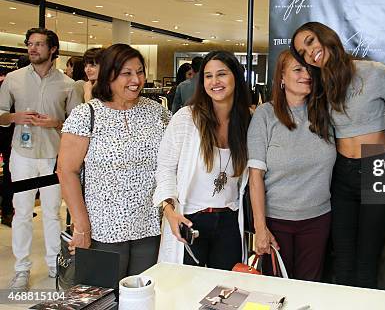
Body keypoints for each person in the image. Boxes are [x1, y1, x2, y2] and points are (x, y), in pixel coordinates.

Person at [291, 22, 385, 288]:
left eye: (310, 42)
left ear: (326, 37)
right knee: (343, 261)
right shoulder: (318, 87)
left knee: (367, 261)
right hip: (340, 174)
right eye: (302, 52)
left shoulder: (374, 73)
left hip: (380, 170)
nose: (309, 53)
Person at [57, 44, 171, 279]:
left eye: (140, 72)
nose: (136, 80)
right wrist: (81, 225)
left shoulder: (156, 112)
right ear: (109, 74)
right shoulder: (86, 114)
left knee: (142, 297)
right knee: (103, 298)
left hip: (148, 227)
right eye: (126, 73)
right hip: (102, 228)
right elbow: (66, 171)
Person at [0, 28, 83, 290]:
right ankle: (21, 268)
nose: (32, 48)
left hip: (53, 160)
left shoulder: (68, 85)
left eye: (38, 44)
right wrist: (14, 117)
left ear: (53, 49)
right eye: (30, 44)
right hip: (22, 158)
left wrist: (56, 122)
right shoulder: (12, 80)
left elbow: (76, 124)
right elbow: (0, 115)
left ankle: (53, 264)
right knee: (22, 211)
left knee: (51, 213)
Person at [154, 51, 250, 270]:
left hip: (229, 221)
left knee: (227, 292)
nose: (214, 82)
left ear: (235, 76)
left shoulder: (245, 121)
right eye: (208, 76)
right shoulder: (187, 118)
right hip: (190, 220)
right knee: (184, 291)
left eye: (222, 74)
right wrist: (169, 212)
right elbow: (165, 168)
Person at [247, 50, 336, 281]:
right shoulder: (265, 115)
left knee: (310, 289)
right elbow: (255, 176)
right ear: (282, 78)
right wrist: (260, 228)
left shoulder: (325, 113)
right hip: (276, 223)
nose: (306, 74)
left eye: (310, 69)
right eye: (298, 69)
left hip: (318, 220)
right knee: (277, 293)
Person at [0, 66, 15, 227]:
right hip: (8, 135)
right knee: (9, 173)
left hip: (9, 134)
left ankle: (8, 210)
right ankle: (7, 211)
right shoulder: (12, 84)